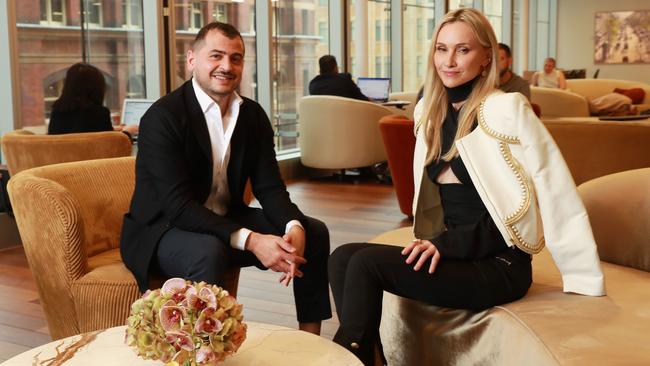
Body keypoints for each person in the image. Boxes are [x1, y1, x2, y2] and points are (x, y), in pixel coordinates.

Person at [328, 8, 604, 365]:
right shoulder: (431, 111)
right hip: (456, 252)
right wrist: (436, 241)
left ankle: (346, 356)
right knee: (341, 257)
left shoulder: (507, 109)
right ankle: (368, 355)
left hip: (499, 264)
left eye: (463, 50)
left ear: (486, 55)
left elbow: (552, 189)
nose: (450, 61)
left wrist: (582, 274)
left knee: (365, 263)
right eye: (442, 49)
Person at [120, 22, 331, 335]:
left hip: (224, 221)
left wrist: (292, 227)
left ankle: (312, 341)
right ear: (192, 59)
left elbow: (269, 187)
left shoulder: (252, 116)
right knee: (209, 250)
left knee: (314, 231)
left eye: (236, 58)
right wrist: (253, 240)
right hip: (162, 229)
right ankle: (212, 350)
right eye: (216, 56)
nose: (226, 66)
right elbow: (178, 207)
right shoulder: (163, 117)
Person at [48, 62, 138, 137]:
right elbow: (109, 145)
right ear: (96, 88)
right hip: (93, 158)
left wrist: (113, 129)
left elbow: (78, 134)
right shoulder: (99, 113)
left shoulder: (57, 111)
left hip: (64, 158)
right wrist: (127, 132)